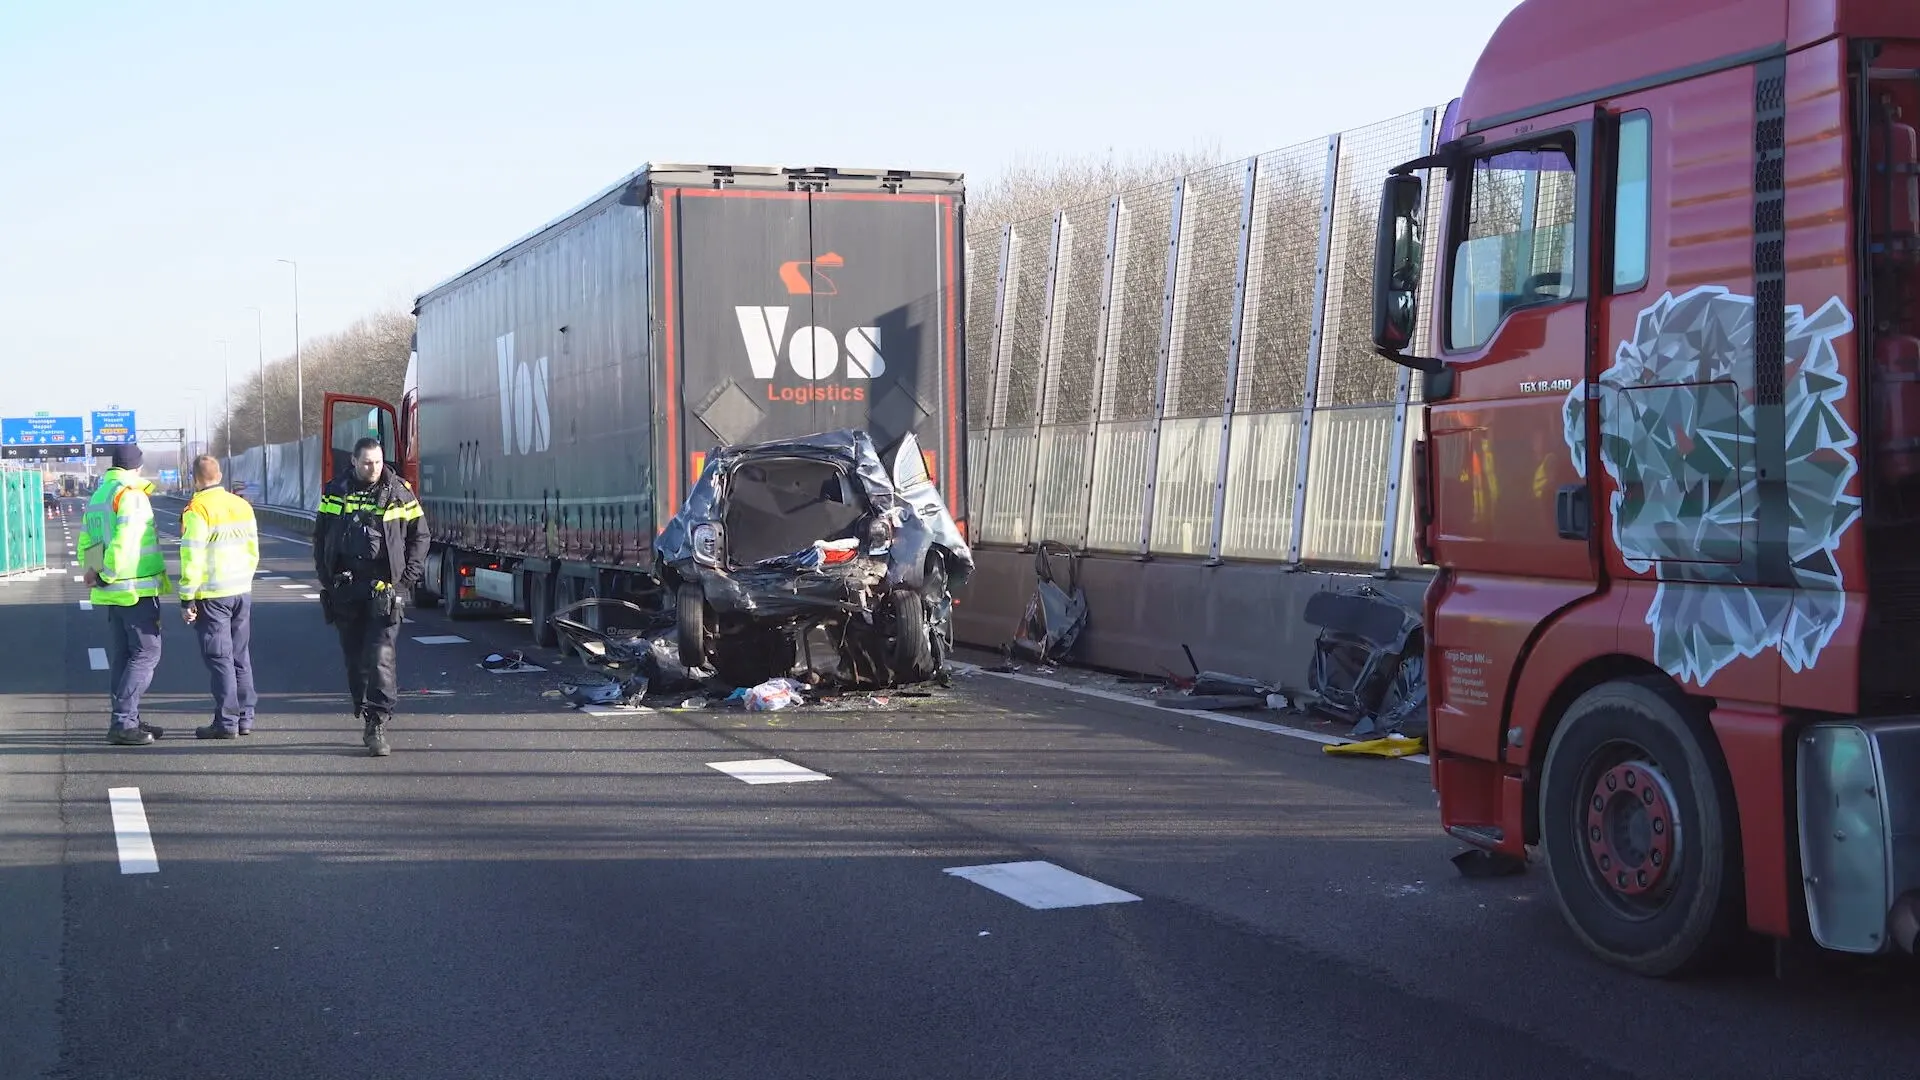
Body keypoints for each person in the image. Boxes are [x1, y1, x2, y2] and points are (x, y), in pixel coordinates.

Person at [314, 437, 428, 757]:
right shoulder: (335, 491)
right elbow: (321, 536)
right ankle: (364, 709)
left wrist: (405, 582)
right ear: (353, 461)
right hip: (347, 588)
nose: (374, 468)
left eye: (378, 462)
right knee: (355, 660)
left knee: (380, 655)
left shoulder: (399, 492)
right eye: (367, 462)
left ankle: (377, 721)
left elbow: (420, 536)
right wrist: (327, 580)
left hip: (385, 589)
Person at [77, 443, 174, 746]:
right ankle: (123, 722)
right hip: (133, 588)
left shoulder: (100, 494)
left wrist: (95, 571)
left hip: (113, 590)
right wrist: (107, 573)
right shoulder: (131, 495)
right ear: (138, 467)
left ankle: (128, 718)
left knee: (124, 656)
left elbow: (88, 539)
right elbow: (126, 541)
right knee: (147, 653)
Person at [177, 455, 261, 740]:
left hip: (213, 595)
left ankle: (226, 721)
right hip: (241, 590)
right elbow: (253, 549)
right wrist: (245, 579)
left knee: (219, 658)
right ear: (220, 475)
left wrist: (187, 597)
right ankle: (245, 717)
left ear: (195, 479)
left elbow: (192, 556)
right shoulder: (242, 505)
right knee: (240, 655)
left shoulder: (197, 509)